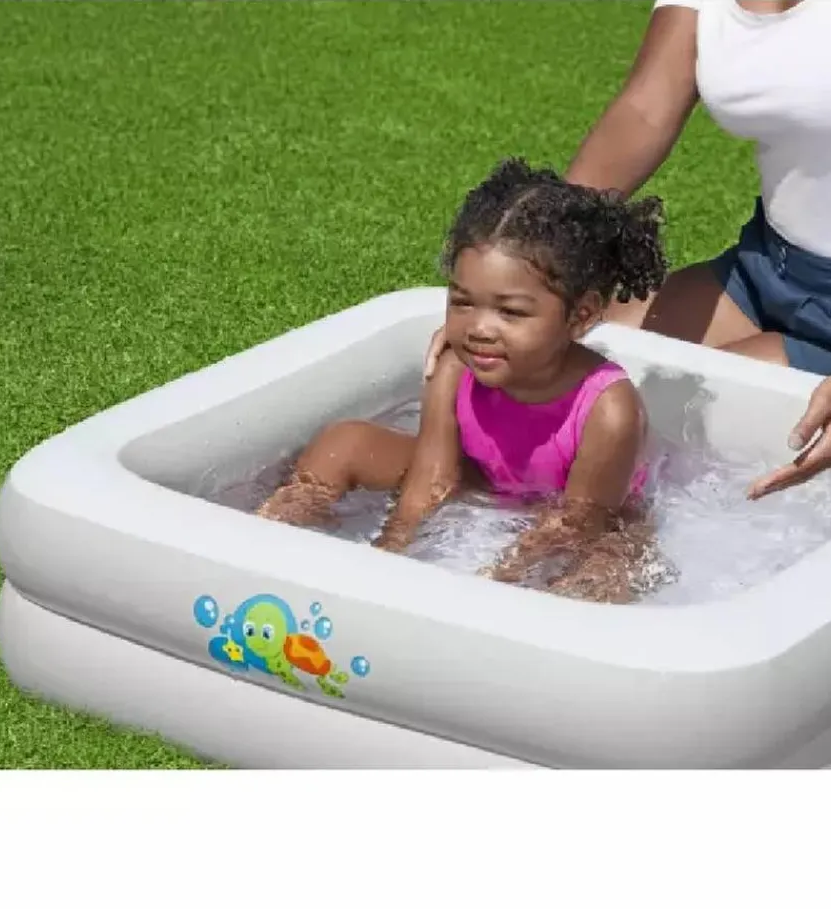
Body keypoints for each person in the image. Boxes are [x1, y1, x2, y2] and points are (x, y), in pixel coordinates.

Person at [425, 0, 831, 499]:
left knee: (645, 418)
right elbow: (645, 108)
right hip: (764, 272)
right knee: (551, 353)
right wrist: (521, 290)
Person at [257, 158, 670, 603]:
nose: (479, 328)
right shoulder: (456, 366)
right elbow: (430, 481)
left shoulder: (608, 409)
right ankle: (265, 542)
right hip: (483, 479)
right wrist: (388, 559)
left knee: (605, 573)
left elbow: (577, 524)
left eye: (510, 312)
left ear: (581, 315)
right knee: (345, 443)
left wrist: (490, 585)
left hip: (588, 517)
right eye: (462, 302)